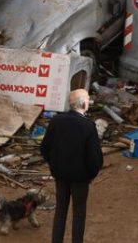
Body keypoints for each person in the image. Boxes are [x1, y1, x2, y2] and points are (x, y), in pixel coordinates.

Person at [40, 88, 103, 243]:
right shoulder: (88, 126)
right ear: (82, 103)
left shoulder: (56, 121)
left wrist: (54, 166)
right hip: (80, 178)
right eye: (88, 99)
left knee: (60, 210)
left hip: (60, 175)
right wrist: (90, 175)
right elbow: (95, 158)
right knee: (79, 212)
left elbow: (44, 148)